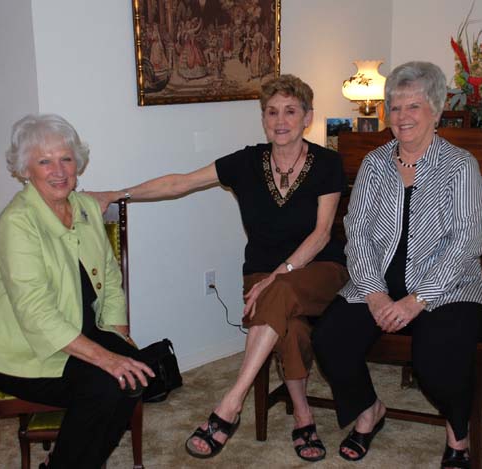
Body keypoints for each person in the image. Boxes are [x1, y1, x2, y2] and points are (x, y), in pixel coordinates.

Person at [89, 74, 349, 462]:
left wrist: (277, 276)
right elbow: (180, 183)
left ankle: (231, 403)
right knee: (290, 329)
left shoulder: (327, 163)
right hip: (262, 274)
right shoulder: (246, 162)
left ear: (307, 117)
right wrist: (116, 194)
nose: (280, 121)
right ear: (263, 118)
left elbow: (322, 233)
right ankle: (303, 416)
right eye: (271, 112)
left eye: (290, 111)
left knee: (277, 292)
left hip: (319, 269)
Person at [312, 62, 482, 468]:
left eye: (414, 106)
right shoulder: (374, 163)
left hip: (449, 288)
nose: (402, 116)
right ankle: (369, 409)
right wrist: (374, 294)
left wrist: (416, 300)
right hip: (376, 283)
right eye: (395, 107)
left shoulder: (460, 166)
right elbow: (357, 232)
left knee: (435, 360)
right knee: (329, 340)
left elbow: (465, 243)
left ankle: (458, 435)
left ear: (436, 110)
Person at [0, 114, 155, 469]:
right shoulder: (17, 223)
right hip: (22, 352)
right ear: (25, 170)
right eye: (45, 161)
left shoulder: (85, 208)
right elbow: (36, 314)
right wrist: (107, 358)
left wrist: (117, 338)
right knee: (106, 383)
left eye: (66, 159)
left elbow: (111, 279)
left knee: (136, 374)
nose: (58, 171)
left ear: (77, 163)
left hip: (80, 334)